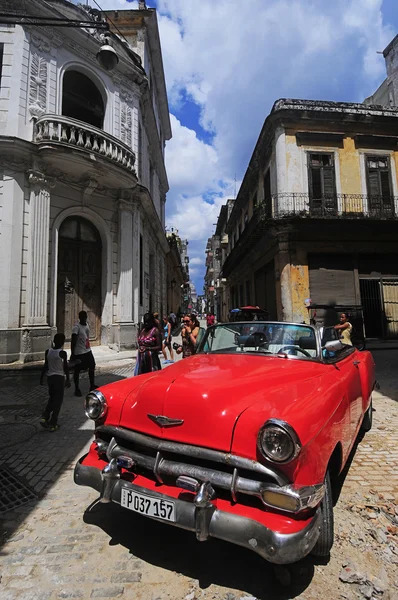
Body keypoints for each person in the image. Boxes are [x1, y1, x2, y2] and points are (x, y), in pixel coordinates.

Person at [40, 333, 70, 432]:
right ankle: (53, 423)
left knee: (52, 398)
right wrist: (68, 379)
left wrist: (41, 377)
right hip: (59, 378)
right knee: (58, 401)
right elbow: (65, 367)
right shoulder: (62, 353)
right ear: (62, 342)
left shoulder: (48, 351)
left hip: (50, 378)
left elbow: (45, 365)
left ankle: (45, 416)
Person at [71, 310, 97, 397]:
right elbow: (73, 340)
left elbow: (86, 337)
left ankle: (92, 385)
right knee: (77, 370)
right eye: (82, 317)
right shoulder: (76, 327)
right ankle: (76, 389)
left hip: (87, 350)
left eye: (85, 317)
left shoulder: (86, 326)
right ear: (80, 318)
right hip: (79, 352)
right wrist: (73, 353)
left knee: (92, 366)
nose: (84, 319)